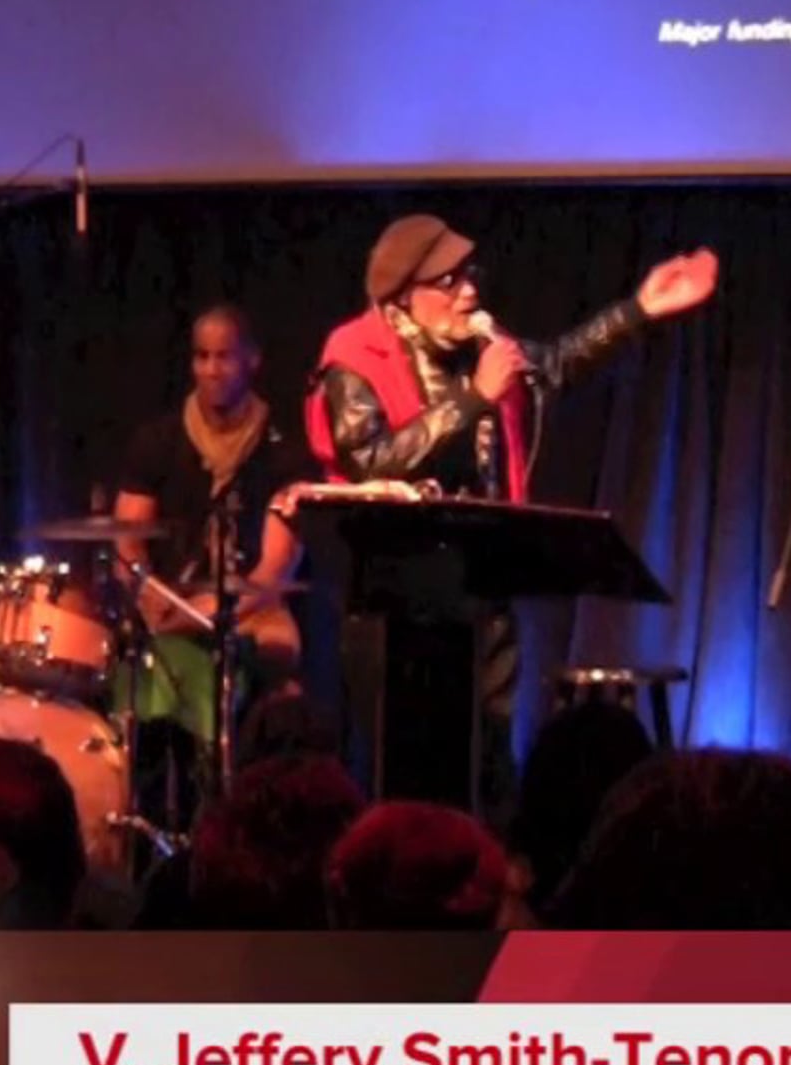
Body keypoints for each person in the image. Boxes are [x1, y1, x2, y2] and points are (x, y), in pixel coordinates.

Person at [304, 213, 717, 821]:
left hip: (481, 582)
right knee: (410, 766)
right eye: (449, 281)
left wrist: (639, 310)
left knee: (489, 756)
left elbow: (555, 364)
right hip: (399, 600)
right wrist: (474, 398)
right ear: (403, 295)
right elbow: (367, 461)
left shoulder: (481, 345)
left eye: (469, 275)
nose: (469, 292)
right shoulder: (355, 355)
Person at [110, 304, 320, 754]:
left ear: (252, 360)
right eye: (201, 357)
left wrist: (203, 613)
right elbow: (128, 545)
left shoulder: (283, 451)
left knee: (280, 649)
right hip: (168, 600)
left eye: (223, 357)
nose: (210, 370)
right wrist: (151, 597)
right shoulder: (157, 441)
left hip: (251, 610)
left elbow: (274, 572)